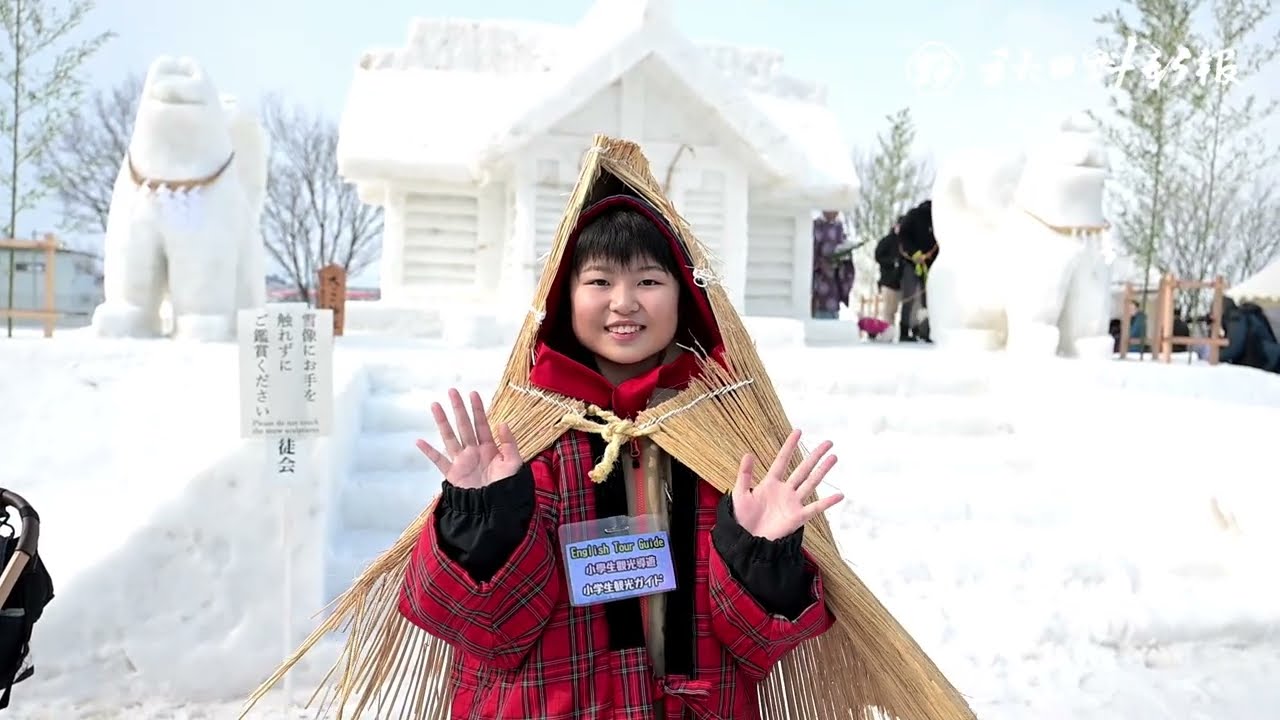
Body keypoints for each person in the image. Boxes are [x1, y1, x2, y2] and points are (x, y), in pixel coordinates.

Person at [399, 194, 844, 718]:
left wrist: (761, 554)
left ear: (685, 298)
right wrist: (481, 525)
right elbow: (488, 630)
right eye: (600, 281)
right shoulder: (521, 450)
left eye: (649, 281)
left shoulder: (728, 452)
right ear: (565, 296)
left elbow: (759, 645)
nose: (624, 302)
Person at [896, 201, 937, 342]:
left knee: (929, 300)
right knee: (909, 297)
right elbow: (903, 236)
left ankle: (926, 331)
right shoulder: (914, 215)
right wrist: (914, 253)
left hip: (931, 264)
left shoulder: (938, 217)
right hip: (911, 263)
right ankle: (904, 331)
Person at [811, 210, 855, 319]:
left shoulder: (839, 227)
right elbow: (808, 253)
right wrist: (820, 263)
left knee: (832, 314)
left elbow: (845, 253)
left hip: (834, 280)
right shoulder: (814, 226)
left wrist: (843, 257)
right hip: (818, 280)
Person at [873, 217, 905, 333]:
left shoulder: (906, 241)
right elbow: (878, 256)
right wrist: (892, 262)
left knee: (897, 311)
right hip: (888, 282)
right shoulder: (887, 241)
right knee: (888, 312)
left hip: (902, 283)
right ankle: (887, 335)